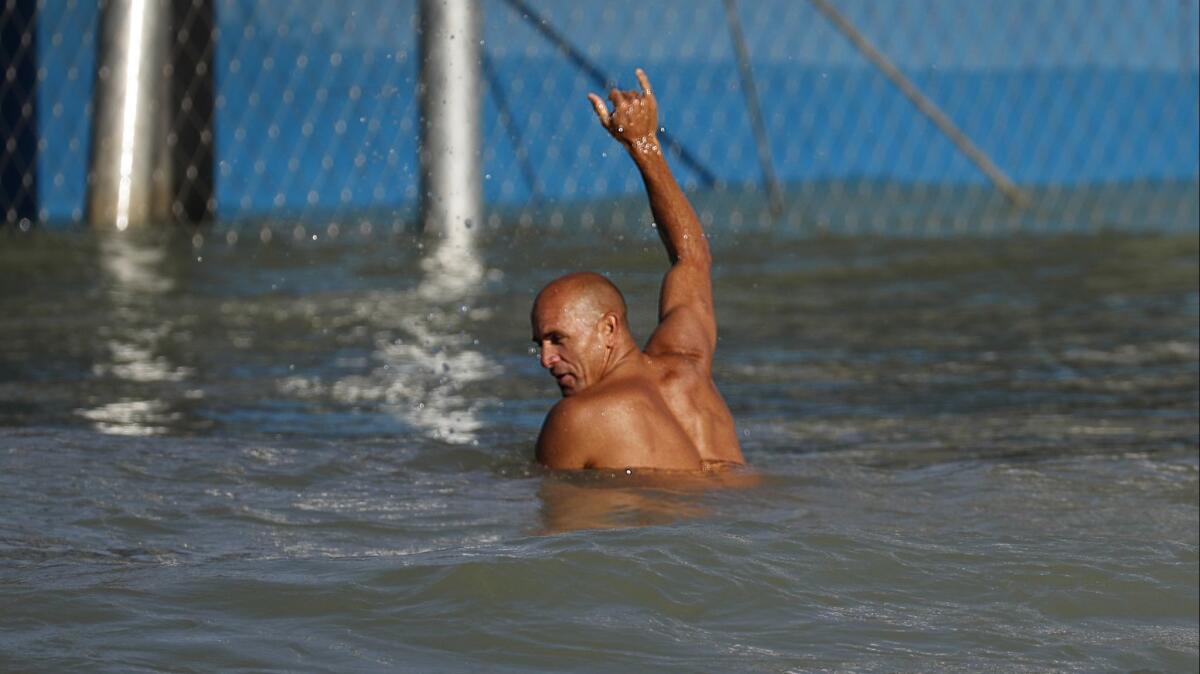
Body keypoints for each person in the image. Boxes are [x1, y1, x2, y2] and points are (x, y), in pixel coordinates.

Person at [531, 68, 745, 472]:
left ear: (609, 329)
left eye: (557, 339)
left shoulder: (578, 418)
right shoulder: (688, 366)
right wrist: (644, 145)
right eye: (539, 344)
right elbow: (692, 258)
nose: (546, 359)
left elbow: (549, 530)